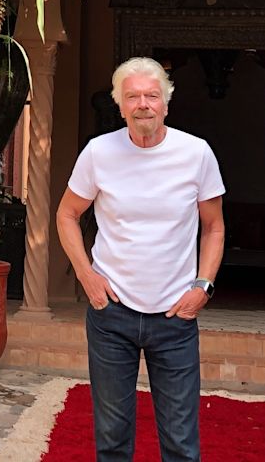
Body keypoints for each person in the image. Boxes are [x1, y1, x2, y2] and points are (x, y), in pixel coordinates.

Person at [56, 56, 226, 462]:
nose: (143, 104)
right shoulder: (99, 152)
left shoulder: (196, 153)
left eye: (151, 95)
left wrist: (203, 286)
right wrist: (87, 276)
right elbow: (66, 214)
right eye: (132, 96)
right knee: (112, 438)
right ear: (120, 104)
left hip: (175, 317)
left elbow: (214, 227)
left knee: (181, 442)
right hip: (111, 313)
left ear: (166, 102)